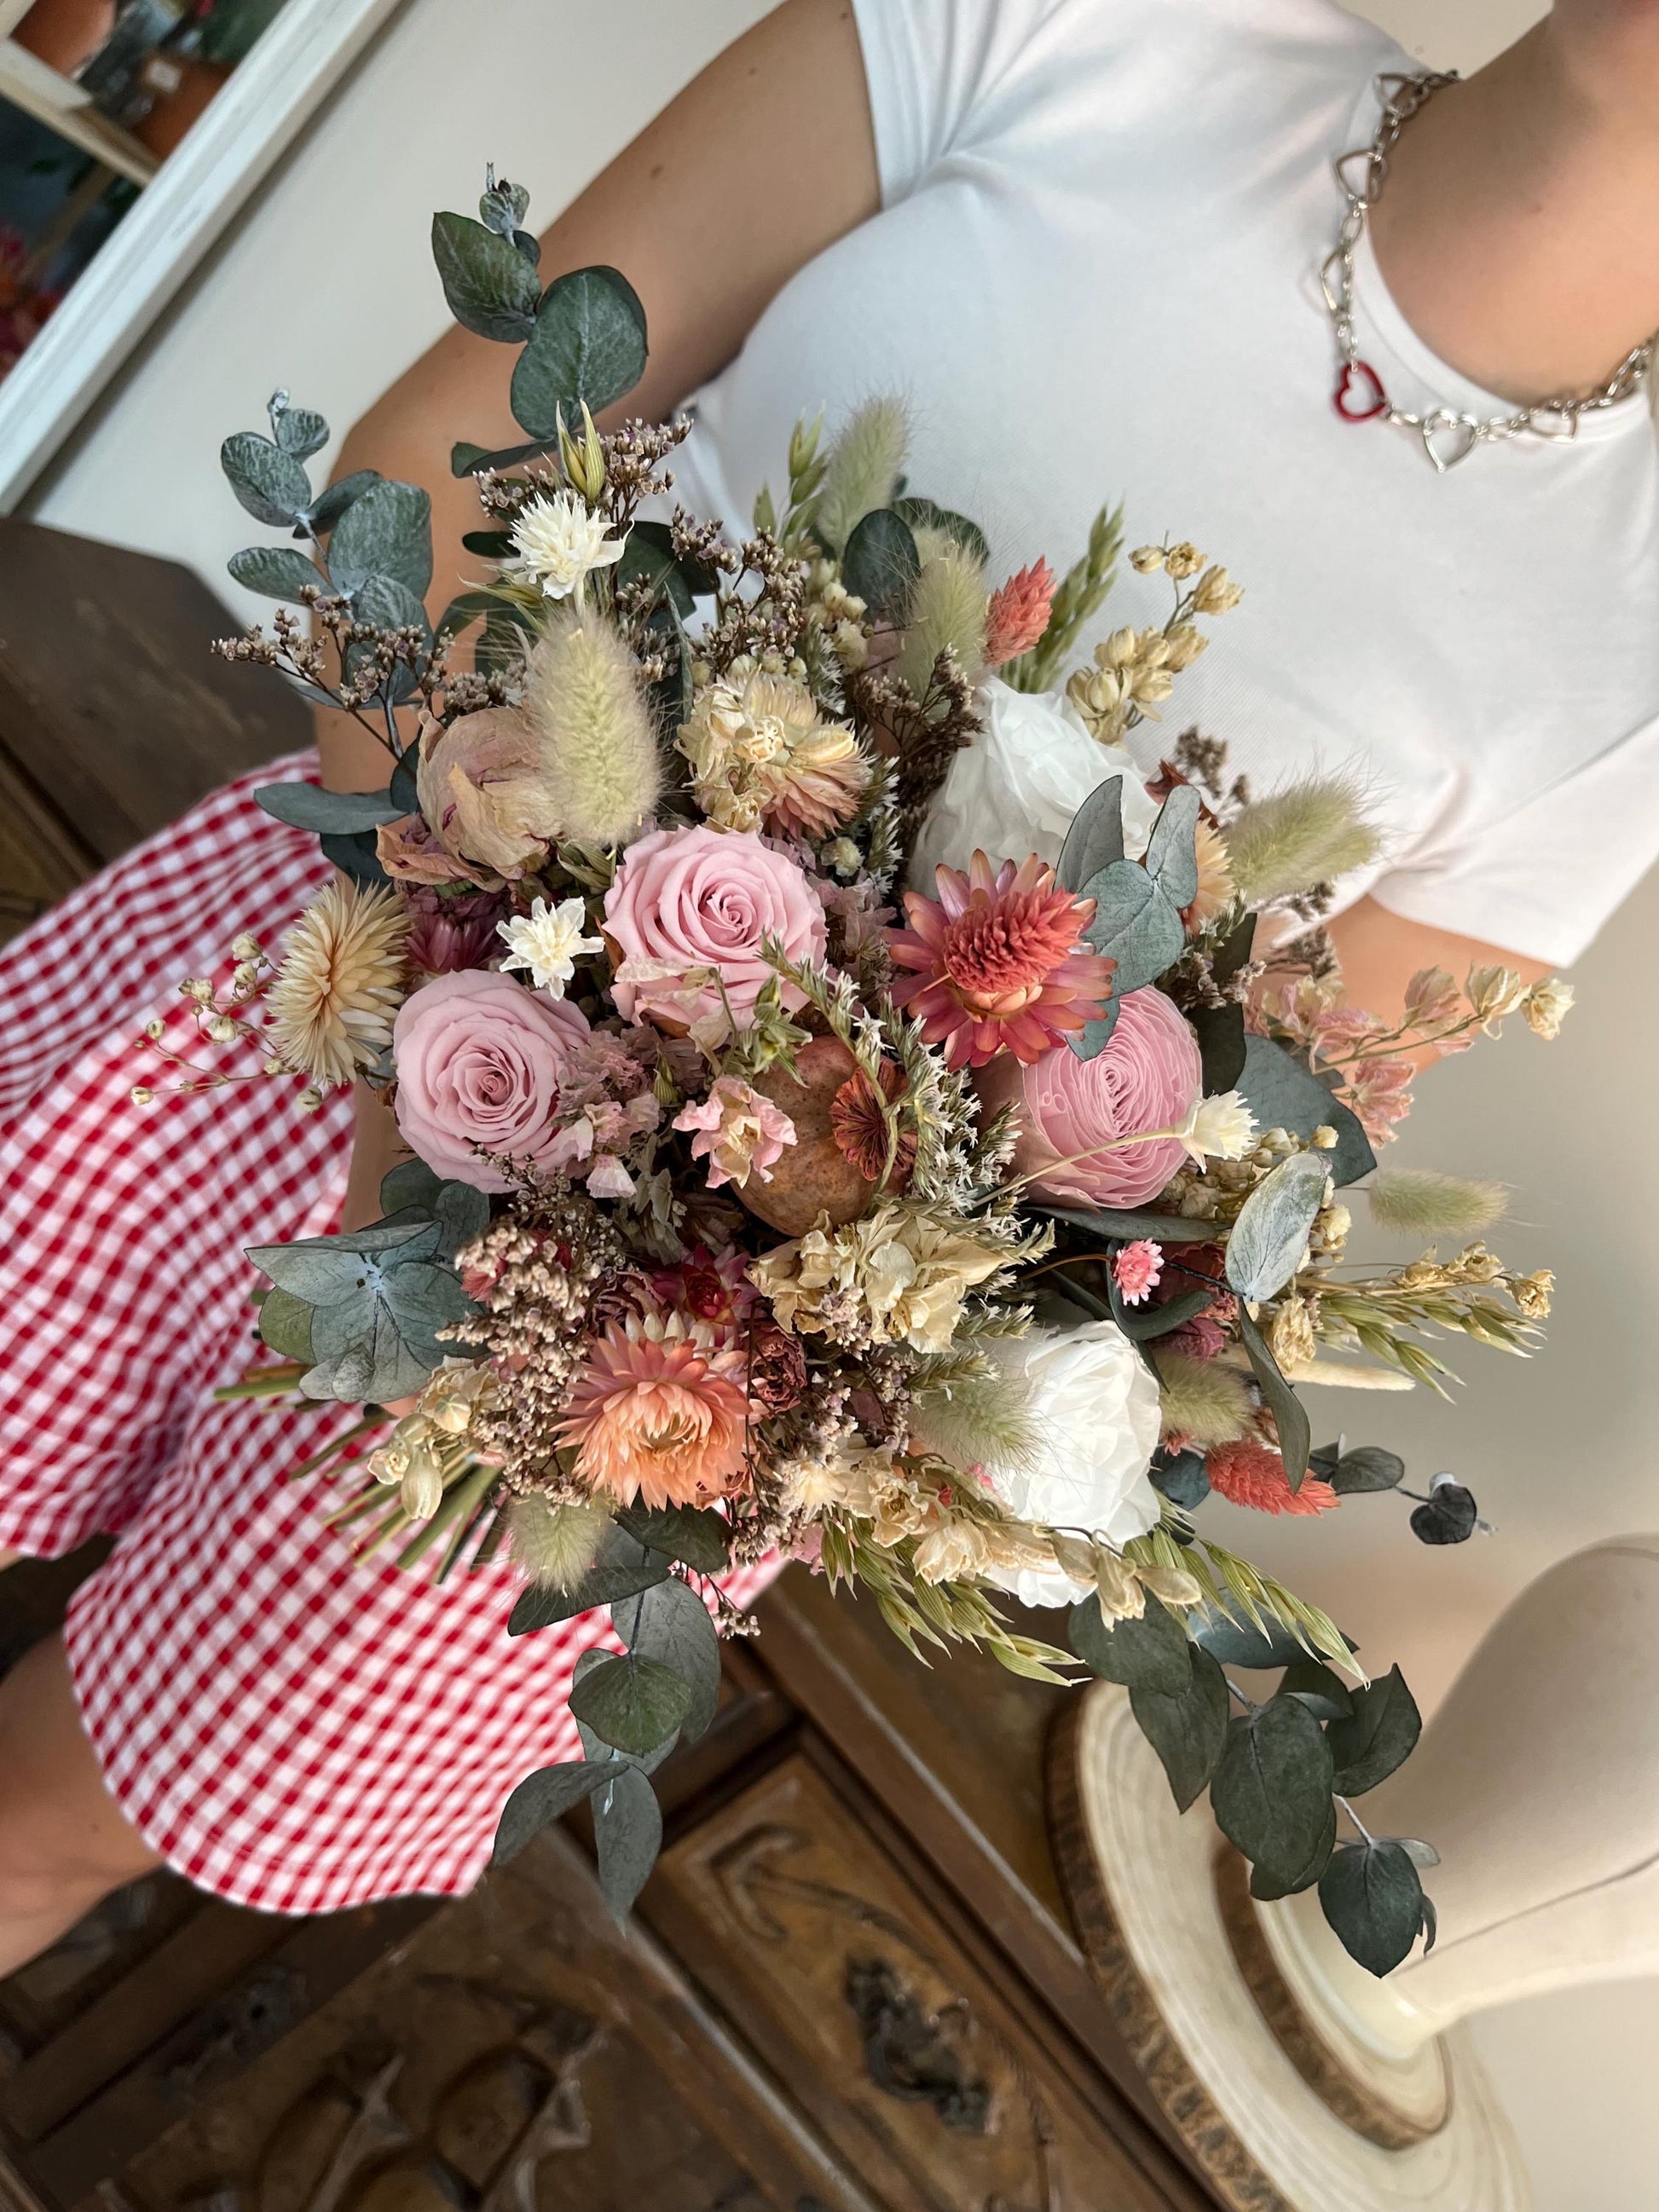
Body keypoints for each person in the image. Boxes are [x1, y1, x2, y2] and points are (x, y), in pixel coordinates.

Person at [1, 0, 1656, 1972]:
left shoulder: (1625, 659)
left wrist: (727, 1283)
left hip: (639, 1397)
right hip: (299, 995)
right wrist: (451, 1044)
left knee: (33, 1827)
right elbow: (419, 480)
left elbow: (1214, 1201)